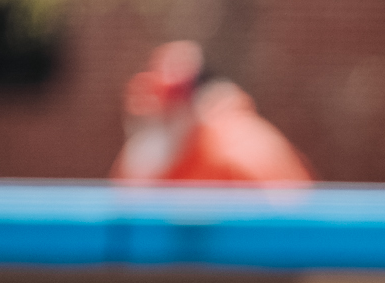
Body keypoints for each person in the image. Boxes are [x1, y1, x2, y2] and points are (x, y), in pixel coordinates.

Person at [111, 41, 313, 185]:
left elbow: (290, 229)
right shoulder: (147, 152)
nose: (149, 107)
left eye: (169, 103)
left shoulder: (238, 152)